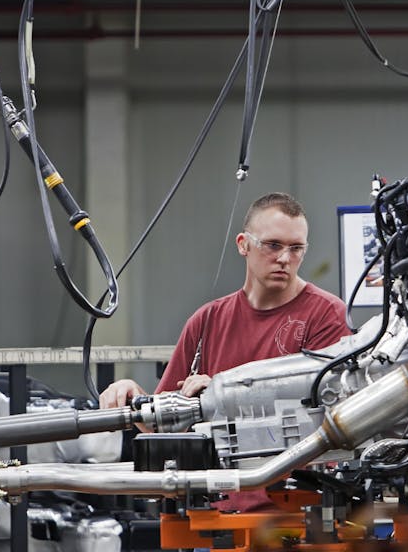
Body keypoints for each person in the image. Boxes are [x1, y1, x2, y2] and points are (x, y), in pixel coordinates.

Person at [99, 192, 350, 511]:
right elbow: (162, 427)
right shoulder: (206, 321)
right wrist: (132, 394)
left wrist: (220, 399)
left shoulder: (326, 315)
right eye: (272, 245)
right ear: (244, 244)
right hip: (217, 514)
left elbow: (331, 422)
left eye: (296, 248)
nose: (285, 258)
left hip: (296, 516)